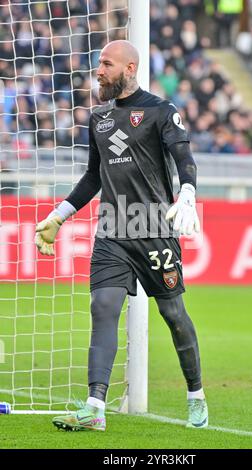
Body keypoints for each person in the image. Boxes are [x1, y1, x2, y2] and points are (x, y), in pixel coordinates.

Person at [35, 40, 208, 432]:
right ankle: (95, 406)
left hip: (153, 229)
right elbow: (94, 176)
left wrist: (187, 192)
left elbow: (185, 158)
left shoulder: (161, 112)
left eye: (107, 64)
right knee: (103, 309)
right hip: (112, 230)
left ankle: (196, 394)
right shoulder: (99, 118)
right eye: (99, 64)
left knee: (173, 314)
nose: (99, 71)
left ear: (129, 69)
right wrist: (59, 216)